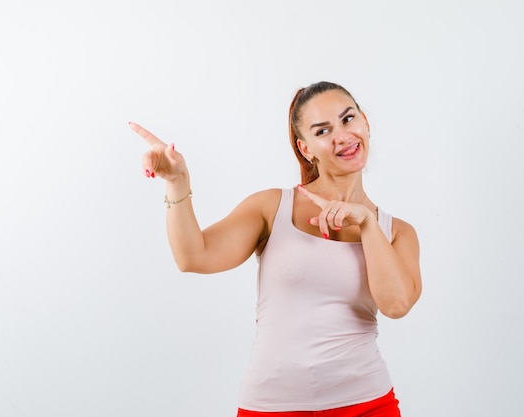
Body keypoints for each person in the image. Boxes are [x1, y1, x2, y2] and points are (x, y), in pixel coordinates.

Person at [129, 81, 422, 417]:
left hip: (367, 404)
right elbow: (193, 257)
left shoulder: (397, 231)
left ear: (365, 122)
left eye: (348, 119)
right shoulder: (271, 207)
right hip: (271, 406)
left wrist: (368, 224)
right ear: (305, 147)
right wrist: (177, 181)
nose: (342, 136)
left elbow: (397, 304)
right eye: (323, 130)